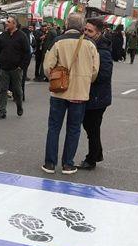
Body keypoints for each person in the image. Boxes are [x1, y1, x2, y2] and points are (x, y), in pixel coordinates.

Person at [41, 13, 99, 175]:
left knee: (54, 127)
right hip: (79, 93)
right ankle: (68, 164)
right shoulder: (90, 44)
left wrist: (55, 78)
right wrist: (85, 81)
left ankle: (50, 163)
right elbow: (95, 71)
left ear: (67, 24)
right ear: (82, 27)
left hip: (59, 92)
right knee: (73, 129)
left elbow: (47, 67)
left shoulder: (58, 41)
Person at [80, 18, 113, 169]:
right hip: (91, 96)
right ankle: (96, 154)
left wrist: (86, 75)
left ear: (98, 33)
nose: (86, 33)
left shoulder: (102, 51)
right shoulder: (89, 45)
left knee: (91, 128)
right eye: (85, 29)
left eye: (90, 31)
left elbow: (105, 75)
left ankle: (91, 159)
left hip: (97, 97)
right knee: (91, 127)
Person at [0, 16, 30, 119]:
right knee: (3, 90)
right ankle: (2, 111)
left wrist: (21, 66)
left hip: (16, 69)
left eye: (8, 22)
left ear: (14, 24)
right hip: (4, 68)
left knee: (17, 90)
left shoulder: (22, 36)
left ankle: (19, 106)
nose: (6, 23)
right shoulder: (2, 36)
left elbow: (27, 53)